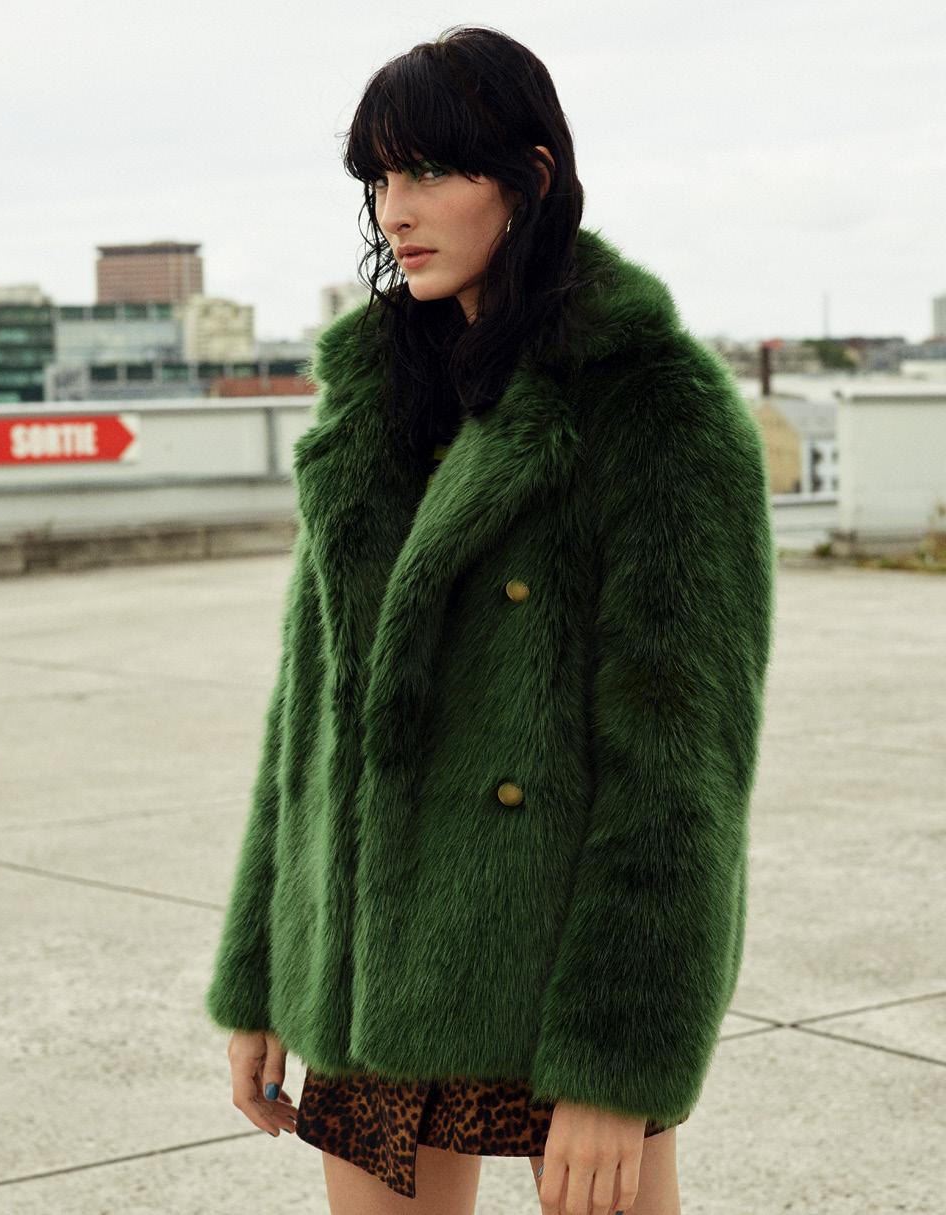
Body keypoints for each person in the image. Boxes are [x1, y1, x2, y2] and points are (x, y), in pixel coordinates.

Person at [204, 23, 776, 1215]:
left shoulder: (653, 406)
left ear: (530, 176)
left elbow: (682, 768)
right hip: (362, 970)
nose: (395, 211)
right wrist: (262, 975)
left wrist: (620, 1065)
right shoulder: (373, 405)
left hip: (551, 973)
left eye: (428, 171)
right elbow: (306, 725)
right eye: (379, 178)